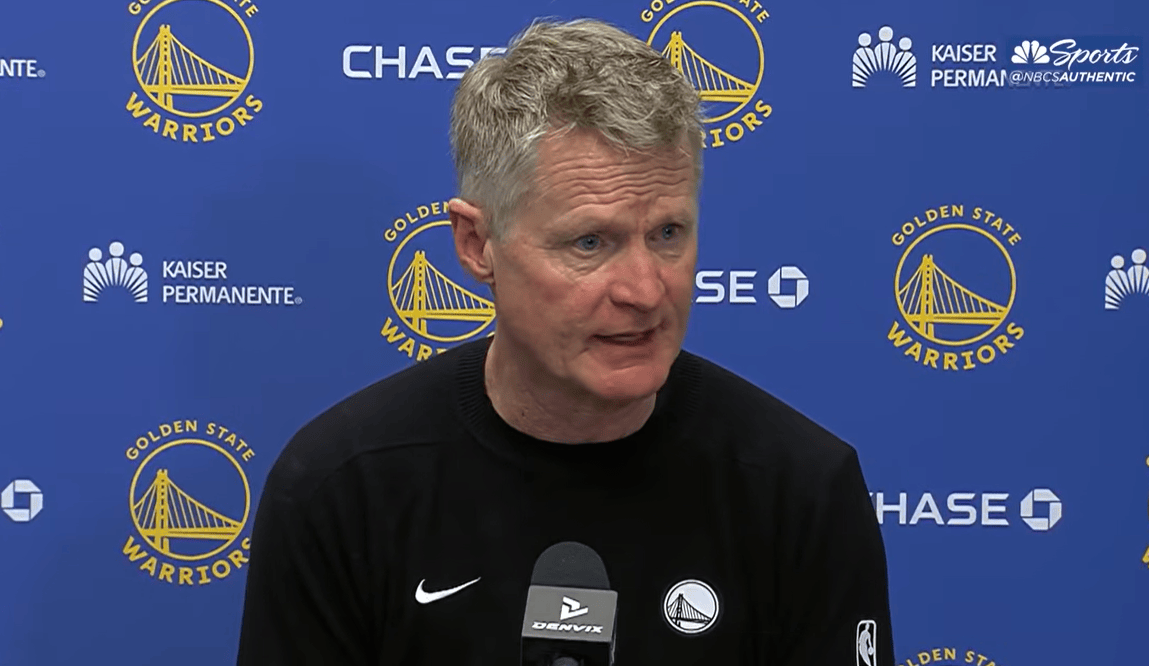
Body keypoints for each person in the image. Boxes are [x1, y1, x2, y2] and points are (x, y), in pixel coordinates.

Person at [235, 17, 895, 666]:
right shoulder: (340, 489)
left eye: (667, 234)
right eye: (590, 242)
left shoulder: (800, 490)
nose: (644, 290)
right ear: (477, 245)